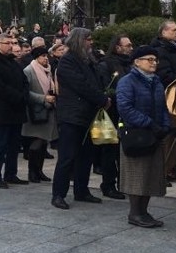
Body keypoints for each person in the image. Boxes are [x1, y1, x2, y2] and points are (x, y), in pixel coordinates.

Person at [51, 28, 109, 209]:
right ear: (78, 41)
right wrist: (102, 99)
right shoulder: (67, 61)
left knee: (86, 156)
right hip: (72, 116)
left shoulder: (88, 60)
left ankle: (81, 190)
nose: (91, 42)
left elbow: (96, 82)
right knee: (67, 157)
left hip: (88, 115)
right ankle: (58, 194)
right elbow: (81, 85)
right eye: (88, 39)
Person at [115, 46, 170, 228]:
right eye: (149, 59)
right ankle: (135, 212)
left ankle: (144, 211)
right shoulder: (127, 81)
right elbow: (125, 108)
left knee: (151, 174)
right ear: (137, 62)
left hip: (154, 134)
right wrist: (149, 123)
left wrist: (165, 125)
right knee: (137, 175)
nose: (153, 63)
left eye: (155, 60)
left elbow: (162, 106)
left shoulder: (157, 82)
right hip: (137, 133)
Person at [0, 33, 29, 189]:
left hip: (17, 109)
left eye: (12, 42)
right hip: (3, 109)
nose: (11, 45)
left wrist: (24, 94)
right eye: (7, 42)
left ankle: (11, 173)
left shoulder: (14, 63)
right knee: (0, 144)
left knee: (14, 145)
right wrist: (17, 96)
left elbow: (24, 81)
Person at [96, 34, 134, 199]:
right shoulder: (106, 64)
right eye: (128, 45)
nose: (131, 48)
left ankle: (123, 183)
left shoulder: (130, 65)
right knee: (108, 151)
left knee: (121, 151)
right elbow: (105, 88)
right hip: (108, 113)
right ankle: (108, 184)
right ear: (118, 47)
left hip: (124, 114)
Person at [21, 46, 57, 183]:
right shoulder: (29, 71)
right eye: (42, 56)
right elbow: (26, 92)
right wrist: (43, 98)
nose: (46, 58)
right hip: (35, 112)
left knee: (43, 143)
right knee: (36, 142)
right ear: (36, 58)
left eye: (46, 56)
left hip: (47, 111)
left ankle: (39, 171)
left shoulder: (48, 71)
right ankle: (32, 172)